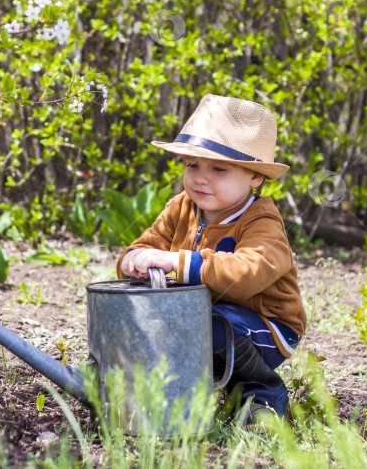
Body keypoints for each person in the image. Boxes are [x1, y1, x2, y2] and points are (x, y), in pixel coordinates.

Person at [115, 94, 307, 428]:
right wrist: (134, 260)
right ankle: (174, 396)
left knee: (210, 325)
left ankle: (264, 398)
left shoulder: (262, 221)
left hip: (268, 326)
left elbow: (247, 273)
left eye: (219, 169)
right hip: (200, 316)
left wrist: (177, 262)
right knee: (158, 319)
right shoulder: (182, 206)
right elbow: (149, 243)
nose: (201, 178)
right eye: (193, 165)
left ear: (255, 177)